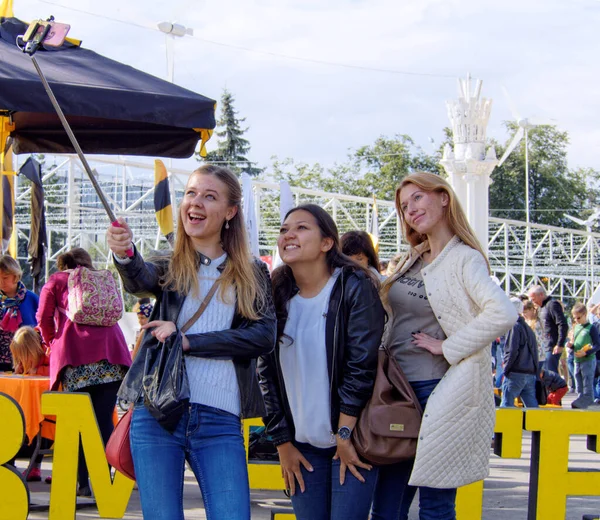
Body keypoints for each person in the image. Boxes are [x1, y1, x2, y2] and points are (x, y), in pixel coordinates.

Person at [107, 164, 276, 520]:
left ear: (230, 212)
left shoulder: (252, 270)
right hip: (157, 413)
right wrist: (125, 253)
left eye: (209, 196)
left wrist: (189, 342)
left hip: (220, 417)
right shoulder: (169, 262)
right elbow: (140, 278)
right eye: (191, 193)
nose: (195, 203)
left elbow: (262, 336)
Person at [371, 172, 517, 520]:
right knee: (387, 507)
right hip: (396, 389)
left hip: (438, 390)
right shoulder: (412, 258)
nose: (411, 210)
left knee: (435, 506)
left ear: (444, 197)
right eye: (405, 206)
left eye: (418, 198)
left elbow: (504, 312)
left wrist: (448, 347)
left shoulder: (464, 259)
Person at [259, 204, 384, 520]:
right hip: (301, 445)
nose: (289, 234)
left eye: (301, 228)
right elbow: (266, 375)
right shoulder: (275, 294)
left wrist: (343, 434)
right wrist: (282, 443)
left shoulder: (354, 286)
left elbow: (361, 365)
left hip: (353, 439)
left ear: (327, 243)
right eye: (285, 229)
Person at [36, 247, 132, 497]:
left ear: (62, 263)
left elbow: (43, 317)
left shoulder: (56, 281)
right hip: (112, 357)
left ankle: (82, 483)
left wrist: (49, 343)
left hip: (75, 359)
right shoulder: (100, 280)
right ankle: (111, 479)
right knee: (103, 421)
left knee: (77, 423)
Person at [9, 326, 50, 481]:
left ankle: (35, 466)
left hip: (44, 407)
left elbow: (52, 370)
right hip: (27, 401)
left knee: (43, 428)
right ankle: (10, 463)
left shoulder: (47, 354)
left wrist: (37, 371)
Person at [0, 255, 39, 372]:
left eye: (5, 277)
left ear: (16, 276)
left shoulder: (32, 299)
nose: (1, 282)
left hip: (24, 362)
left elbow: (38, 331)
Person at [500, 298, 539, 408]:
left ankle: (506, 425)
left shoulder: (514, 327)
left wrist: (506, 369)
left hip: (516, 371)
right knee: (531, 406)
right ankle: (538, 424)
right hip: (530, 372)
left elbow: (512, 350)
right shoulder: (528, 329)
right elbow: (535, 352)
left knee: (507, 404)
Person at [527, 285, 568, 373]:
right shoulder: (541, 308)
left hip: (553, 345)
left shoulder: (552, 305)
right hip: (545, 346)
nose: (532, 302)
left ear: (541, 295)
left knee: (550, 374)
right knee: (546, 374)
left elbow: (562, 324)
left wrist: (560, 344)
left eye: (534, 299)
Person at [566, 302, 599, 409]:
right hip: (577, 360)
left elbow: (597, 345)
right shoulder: (576, 327)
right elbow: (576, 343)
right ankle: (581, 400)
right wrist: (571, 346)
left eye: (579, 318)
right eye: (574, 318)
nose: (576, 320)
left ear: (585, 315)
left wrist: (586, 352)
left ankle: (588, 400)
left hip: (588, 360)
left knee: (587, 382)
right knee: (578, 382)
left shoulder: (591, 328)